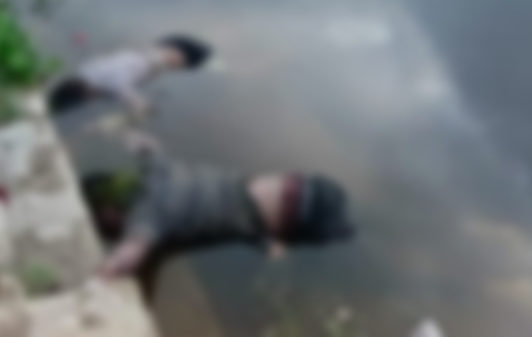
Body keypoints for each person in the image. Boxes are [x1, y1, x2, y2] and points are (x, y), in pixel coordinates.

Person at [83, 135, 354, 281]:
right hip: (257, 197)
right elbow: (136, 242)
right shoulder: (157, 207)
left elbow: (160, 167)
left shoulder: (162, 183)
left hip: (258, 202)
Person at [48, 35, 212, 116]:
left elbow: (123, 86)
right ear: (178, 54)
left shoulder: (155, 65)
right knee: (56, 112)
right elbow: (119, 84)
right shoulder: (143, 60)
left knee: (62, 114)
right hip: (78, 88)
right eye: (183, 63)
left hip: (91, 91)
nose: (178, 68)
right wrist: (139, 104)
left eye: (183, 67)